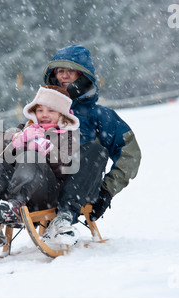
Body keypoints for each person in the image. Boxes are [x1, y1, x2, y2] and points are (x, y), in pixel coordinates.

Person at [41, 45, 141, 243]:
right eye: (60, 71)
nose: (65, 76)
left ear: (83, 76)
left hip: (81, 186)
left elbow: (130, 154)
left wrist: (107, 190)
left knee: (94, 150)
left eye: (71, 71)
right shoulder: (44, 112)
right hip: (44, 183)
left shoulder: (99, 116)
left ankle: (65, 215)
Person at [0, 85, 81, 246]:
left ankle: (16, 204)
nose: (44, 115)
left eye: (51, 111)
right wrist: (18, 141)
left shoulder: (68, 136)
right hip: (15, 187)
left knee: (31, 156)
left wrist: (46, 152)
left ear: (61, 115)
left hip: (46, 192)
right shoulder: (26, 128)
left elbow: (65, 168)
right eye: (40, 110)